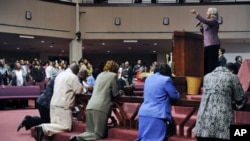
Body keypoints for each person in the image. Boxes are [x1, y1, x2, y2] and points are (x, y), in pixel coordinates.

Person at [69, 60, 121, 141]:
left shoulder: (100, 75)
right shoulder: (113, 75)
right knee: (98, 134)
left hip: (90, 106)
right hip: (101, 107)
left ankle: (76, 138)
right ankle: (77, 138)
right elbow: (115, 93)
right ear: (115, 69)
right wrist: (119, 91)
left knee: (89, 132)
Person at [195, 63, 247, 141]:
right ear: (232, 71)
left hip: (203, 122)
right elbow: (240, 97)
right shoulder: (232, 77)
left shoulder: (207, 76)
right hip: (222, 123)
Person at [33, 63, 84, 141]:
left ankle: (43, 130)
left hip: (53, 103)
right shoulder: (73, 77)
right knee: (66, 126)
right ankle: (42, 127)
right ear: (76, 71)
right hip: (63, 105)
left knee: (55, 125)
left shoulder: (59, 75)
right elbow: (79, 91)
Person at [136, 63, 180, 141]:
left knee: (143, 139)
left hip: (144, 113)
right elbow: (175, 95)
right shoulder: (166, 80)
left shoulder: (148, 79)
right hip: (158, 114)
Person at [190, 7, 220, 75]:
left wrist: (196, 13)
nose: (206, 13)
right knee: (206, 62)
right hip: (207, 45)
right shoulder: (208, 23)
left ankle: (212, 77)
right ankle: (207, 77)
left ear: (212, 13)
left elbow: (205, 21)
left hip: (213, 44)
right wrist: (201, 27)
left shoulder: (214, 21)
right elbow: (205, 33)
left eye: (208, 11)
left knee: (211, 63)